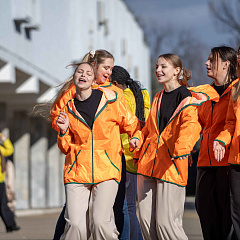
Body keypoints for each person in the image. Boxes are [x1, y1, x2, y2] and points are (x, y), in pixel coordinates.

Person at [129, 53, 218, 240]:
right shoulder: (158, 97)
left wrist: (181, 150)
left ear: (177, 70)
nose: (158, 71)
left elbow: (191, 127)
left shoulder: (188, 98)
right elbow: (149, 130)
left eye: (163, 67)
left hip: (172, 165)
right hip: (148, 164)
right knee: (145, 220)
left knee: (166, 224)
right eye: (156, 67)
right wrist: (137, 138)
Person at [54, 61, 140, 239]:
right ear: (75, 77)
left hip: (107, 169)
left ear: (94, 80)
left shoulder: (111, 100)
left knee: (101, 222)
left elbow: (132, 123)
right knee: (75, 225)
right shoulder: (68, 108)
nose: (83, 75)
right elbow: (65, 148)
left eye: (87, 73)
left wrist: (136, 137)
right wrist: (63, 131)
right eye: (79, 72)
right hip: (76, 172)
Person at [195, 46, 238, 240]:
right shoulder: (204, 93)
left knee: (227, 217)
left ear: (226, 64)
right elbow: (195, 125)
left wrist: (222, 141)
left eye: (212, 60)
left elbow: (232, 124)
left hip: (228, 163)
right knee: (204, 209)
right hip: (205, 161)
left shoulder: (236, 91)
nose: (207, 63)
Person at [110, 65, 150, 240]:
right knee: (130, 207)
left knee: (124, 207)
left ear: (116, 83)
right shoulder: (140, 95)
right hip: (136, 156)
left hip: (123, 157)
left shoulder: (119, 98)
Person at [213, 45, 240, 239]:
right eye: (239, 54)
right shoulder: (237, 87)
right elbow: (231, 122)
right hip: (236, 160)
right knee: (237, 213)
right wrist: (221, 141)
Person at [0, 133, 20, 232]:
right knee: (3, 204)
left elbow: (9, 150)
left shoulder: (0, 149)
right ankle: (10, 225)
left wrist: (4, 139)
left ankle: (11, 225)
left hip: (0, 181)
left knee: (3, 204)